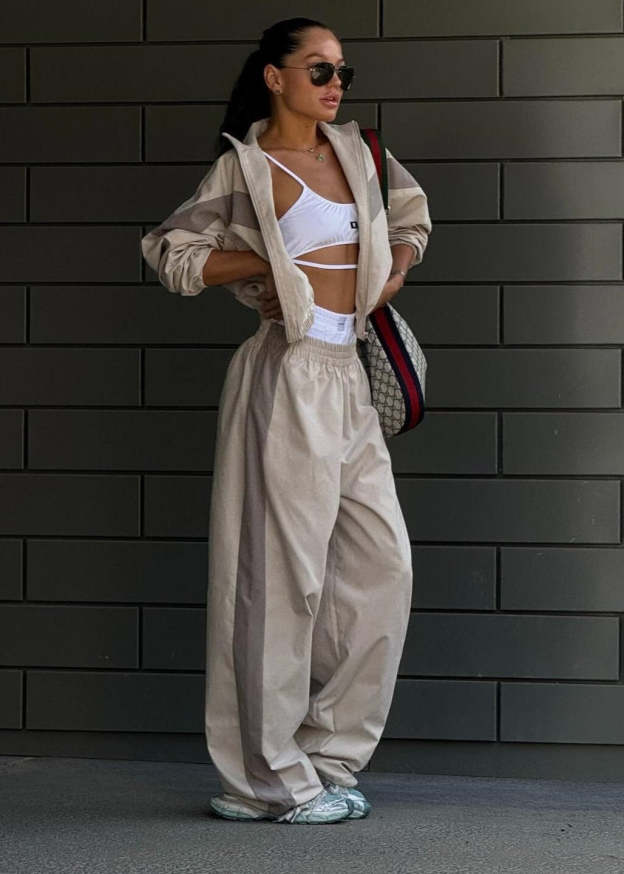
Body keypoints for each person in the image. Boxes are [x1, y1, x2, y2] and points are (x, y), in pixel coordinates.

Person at [141, 16, 432, 825]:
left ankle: (327, 758)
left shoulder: (360, 153)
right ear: (275, 77)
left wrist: (395, 267)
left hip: (349, 374)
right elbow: (170, 251)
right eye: (319, 70)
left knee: (381, 570)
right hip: (287, 374)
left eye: (343, 71)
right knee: (278, 584)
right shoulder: (245, 168)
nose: (336, 84)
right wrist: (264, 261)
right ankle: (263, 783)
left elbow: (411, 216)